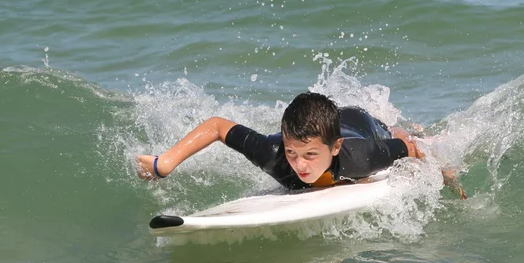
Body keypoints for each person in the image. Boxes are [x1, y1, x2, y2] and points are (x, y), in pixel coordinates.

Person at [136, 92, 466, 198]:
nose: (300, 165)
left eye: (310, 156)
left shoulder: (362, 157)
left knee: (400, 131)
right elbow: (218, 127)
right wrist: (164, 163)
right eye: (294, 153)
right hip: (324, 127)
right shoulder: (274, 155)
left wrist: (445, 176)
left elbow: (406, 147)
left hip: (361, 124)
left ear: (334, 149)